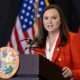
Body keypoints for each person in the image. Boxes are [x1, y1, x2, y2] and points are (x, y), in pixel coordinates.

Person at [29, 5, 80, 80]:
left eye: (54, 18)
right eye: (46, 18)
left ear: (61, 20)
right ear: (42, 21)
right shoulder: (38, 43)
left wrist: (72, 73)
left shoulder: (73, 38)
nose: (49, 21)